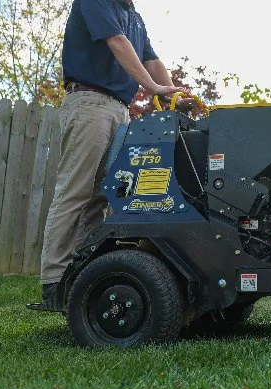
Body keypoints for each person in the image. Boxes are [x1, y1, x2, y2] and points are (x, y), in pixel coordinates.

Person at [38, 0, 187, 308]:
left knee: (105, 195)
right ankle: (53, 281)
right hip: (89, 103)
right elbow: (117, 43)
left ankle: (81, 274)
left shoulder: (134, 16)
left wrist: (174, 95)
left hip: (120, 110)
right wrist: (151, 87)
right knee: (74, 192)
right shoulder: (95, 2)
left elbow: (151, 59)